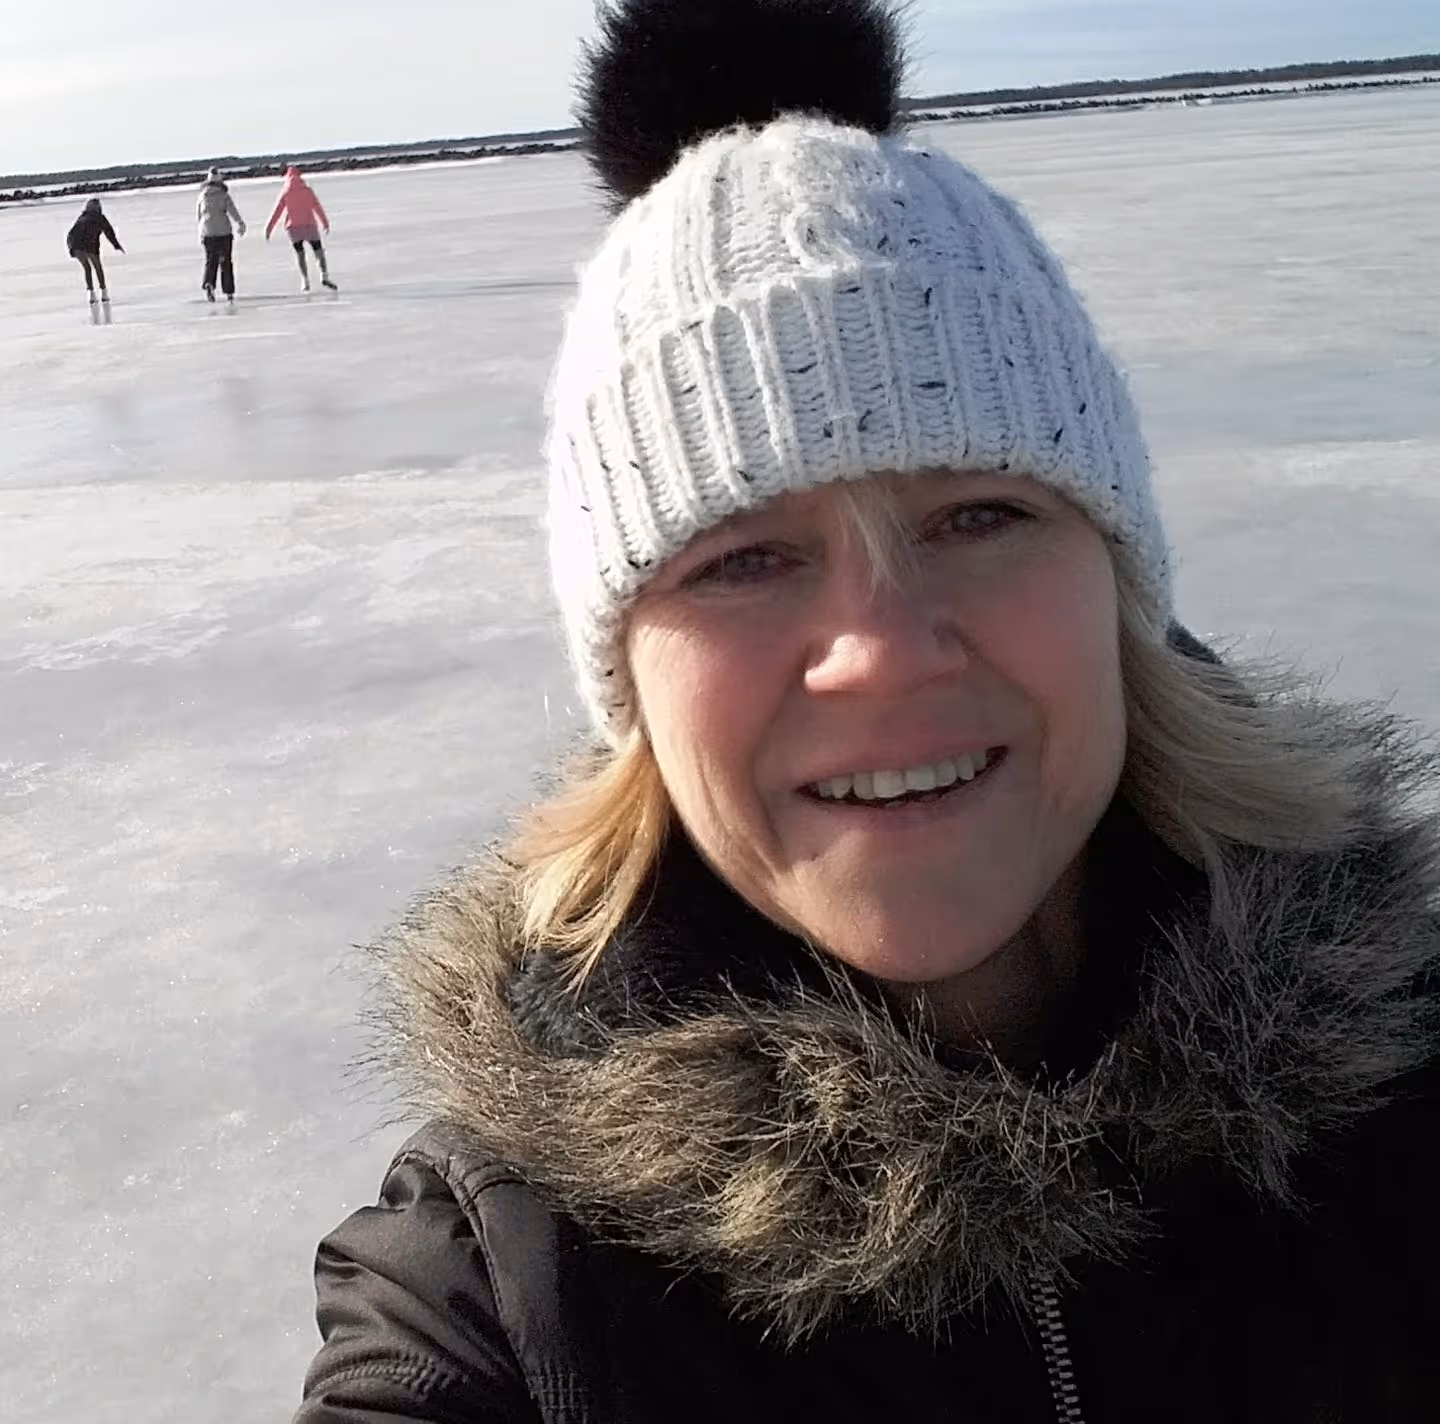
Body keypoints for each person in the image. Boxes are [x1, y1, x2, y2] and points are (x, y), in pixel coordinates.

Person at [294, 1, 1440, 1420]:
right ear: (630, 677)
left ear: (1117, 580)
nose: (883, 652)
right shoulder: (502, 1288)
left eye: (981, 513)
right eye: (743, 559)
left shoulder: (1409, 1082)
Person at [265, 165, 338, 292]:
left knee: (300, 254)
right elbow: (317, 207)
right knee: (318, 252)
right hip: (309, 225)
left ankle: (305, 281)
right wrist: (325, 223)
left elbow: (277, 211)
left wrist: (269, 228)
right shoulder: (307, 190)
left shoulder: (285, 192)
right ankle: (324, 275)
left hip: (293, 228)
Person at [197, 167, 246, 303]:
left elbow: (199, 217)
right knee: (226, 262)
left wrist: (201, 233)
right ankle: (229, 291)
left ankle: (209, 283)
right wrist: (240, 223)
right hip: (224, 233)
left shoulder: (202, 196)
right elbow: (232, 211)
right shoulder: (223, 195)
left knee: (210, 261)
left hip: (208, 232)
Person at [65, 197, 123, 304]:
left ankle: (91, 295)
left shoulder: (82, 217)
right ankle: (104, 293)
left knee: (87, 268)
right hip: (89, 245)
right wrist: (116, 245)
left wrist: (71, 248)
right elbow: (109, 232)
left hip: (74, 244)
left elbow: (72, 233)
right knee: (97, 267)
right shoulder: (100, 218)